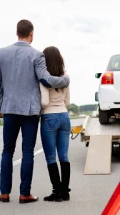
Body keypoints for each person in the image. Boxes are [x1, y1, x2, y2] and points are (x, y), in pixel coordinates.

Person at [0, 20, 70, 204]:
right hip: (29, 112)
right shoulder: (36, 55)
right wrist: (65, 81)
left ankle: (4, 193)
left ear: (16, 32)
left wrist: (0, 106)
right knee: (28, 151)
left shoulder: (2, 53)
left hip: (9, 109)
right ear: (31, 34)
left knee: (7, 151)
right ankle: (24, 193)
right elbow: (46, 79)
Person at [40, 46, 71, 202]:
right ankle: (65, 192)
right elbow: (67, 101)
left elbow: (44, 102)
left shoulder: (44, 78)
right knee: (64, 156)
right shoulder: (64, 77)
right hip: (64, 116)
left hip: (49, 117)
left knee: (51, 157)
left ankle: (56, 192)